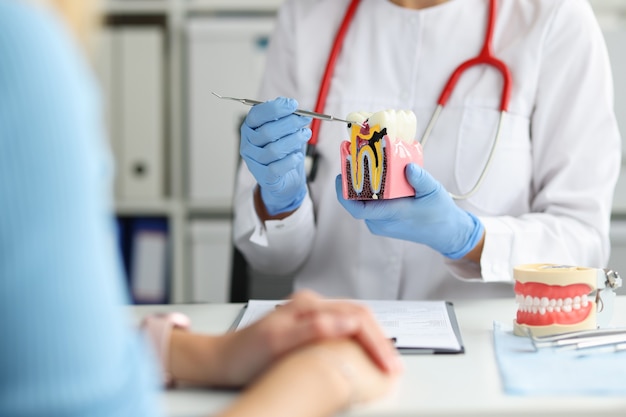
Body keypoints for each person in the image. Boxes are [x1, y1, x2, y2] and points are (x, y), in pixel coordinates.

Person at [0, 1, 402, 416]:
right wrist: (326, 374)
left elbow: (38, 344)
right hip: (342, 342)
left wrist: (209, 354)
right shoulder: (18, 49)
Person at [233, 0, 622, 300]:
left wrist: (471, 239)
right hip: (329, 340)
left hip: (483, 353)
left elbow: (583, 243)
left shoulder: (553, 17)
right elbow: (269, 259)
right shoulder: (308, 16)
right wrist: (278, 203)